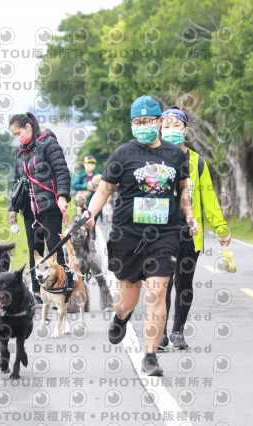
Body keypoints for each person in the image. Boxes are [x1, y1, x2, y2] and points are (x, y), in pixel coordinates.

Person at [82, 95, 198, 376]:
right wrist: (89, 214)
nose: (143, 125)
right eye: (137, 122)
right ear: (132, 124)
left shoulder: (176, 155)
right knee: (127, 302)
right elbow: (104, 189)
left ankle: (150, 355)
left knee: (157, 292)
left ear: (159, 121)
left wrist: (190, 216)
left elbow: (183, 190)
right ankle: (121, 318)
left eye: (148, 121)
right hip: (128, 235)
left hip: (165, 233)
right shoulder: (123, 154)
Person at [158, 106, 232, 351]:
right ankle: (160, 333)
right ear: (159, 128)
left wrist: (220, 227)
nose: (171, 130)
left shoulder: (196, 162)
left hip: (190, 234)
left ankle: (177, 331)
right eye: (166, 126)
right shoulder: (153, 159)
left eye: (176, 126)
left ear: (185, 131)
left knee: (184, 284)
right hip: (160, 233)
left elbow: (209, 199)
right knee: (163, 284)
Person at [7, 112, 73, 306]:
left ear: (28, 127)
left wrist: (62, 195)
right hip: (29, 209)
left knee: (55, 248)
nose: (18, 137)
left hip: (50, 206)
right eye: (14, 135)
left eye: (19, 132)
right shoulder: (20, 153)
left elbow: (62, 170)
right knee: (34, 249)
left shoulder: (49, 144)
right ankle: (38, 293)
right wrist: (13, 208)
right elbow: (16, 182)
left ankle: (63, 289)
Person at [72, 155, 102, 223]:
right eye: (89, 163)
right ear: (84, 164)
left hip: (94, 203)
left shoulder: (98, 176)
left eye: (92, 163)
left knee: (92, 224)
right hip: (82, 203)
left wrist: (90, 192)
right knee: (82, 223)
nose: (91, 165)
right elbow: (75, 185)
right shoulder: (80, 174)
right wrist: (87, 188)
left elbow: (100, 190)